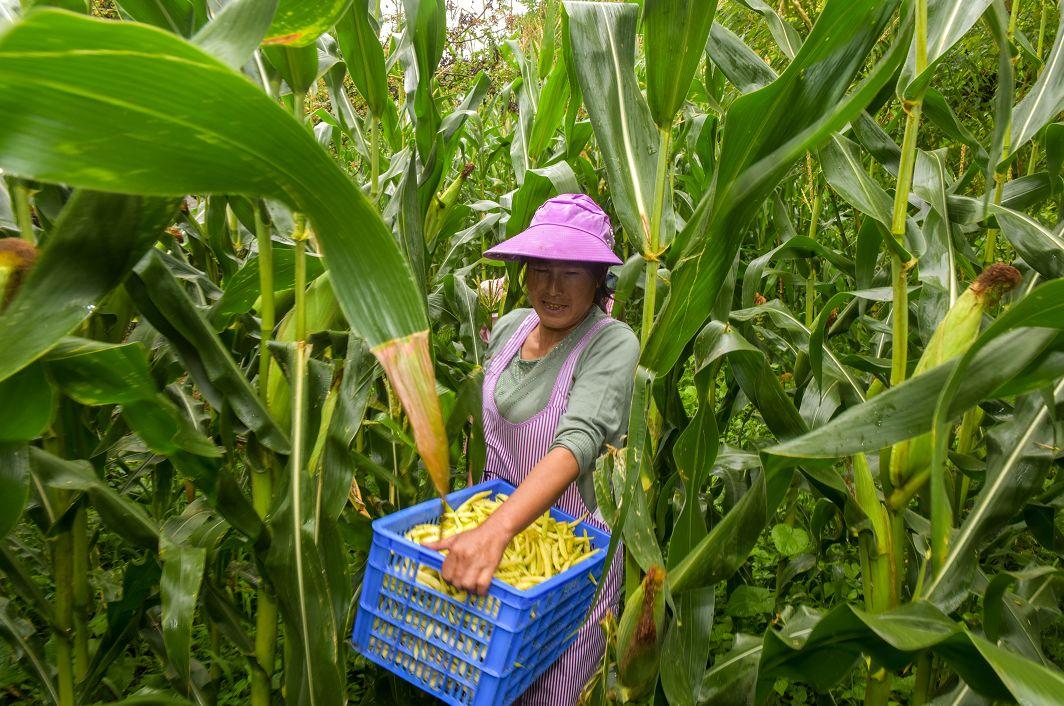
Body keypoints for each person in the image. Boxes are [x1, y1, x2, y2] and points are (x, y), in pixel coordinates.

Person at [424, 193, 640, 705]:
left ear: (598, 279)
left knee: (548, 690)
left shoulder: (612, 344)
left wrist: (494, 531)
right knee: (490, 683)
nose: (551, 287)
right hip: (499, 545)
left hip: (570, 563)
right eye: (540, 268)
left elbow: (576, 444)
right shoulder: (509, 329)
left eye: (570, 273)